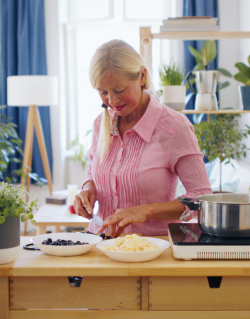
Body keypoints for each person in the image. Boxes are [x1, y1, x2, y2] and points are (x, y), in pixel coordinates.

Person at [73, 39, 212, 237]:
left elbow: (201, 196)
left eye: (119, 90)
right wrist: (88, 189)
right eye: (103, 92)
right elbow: (93, 170)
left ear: (142, 76)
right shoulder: (100, 124)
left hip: (153, 249)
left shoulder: (174, 127)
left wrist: (146, 211)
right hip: (101, 246)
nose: (112, 101)